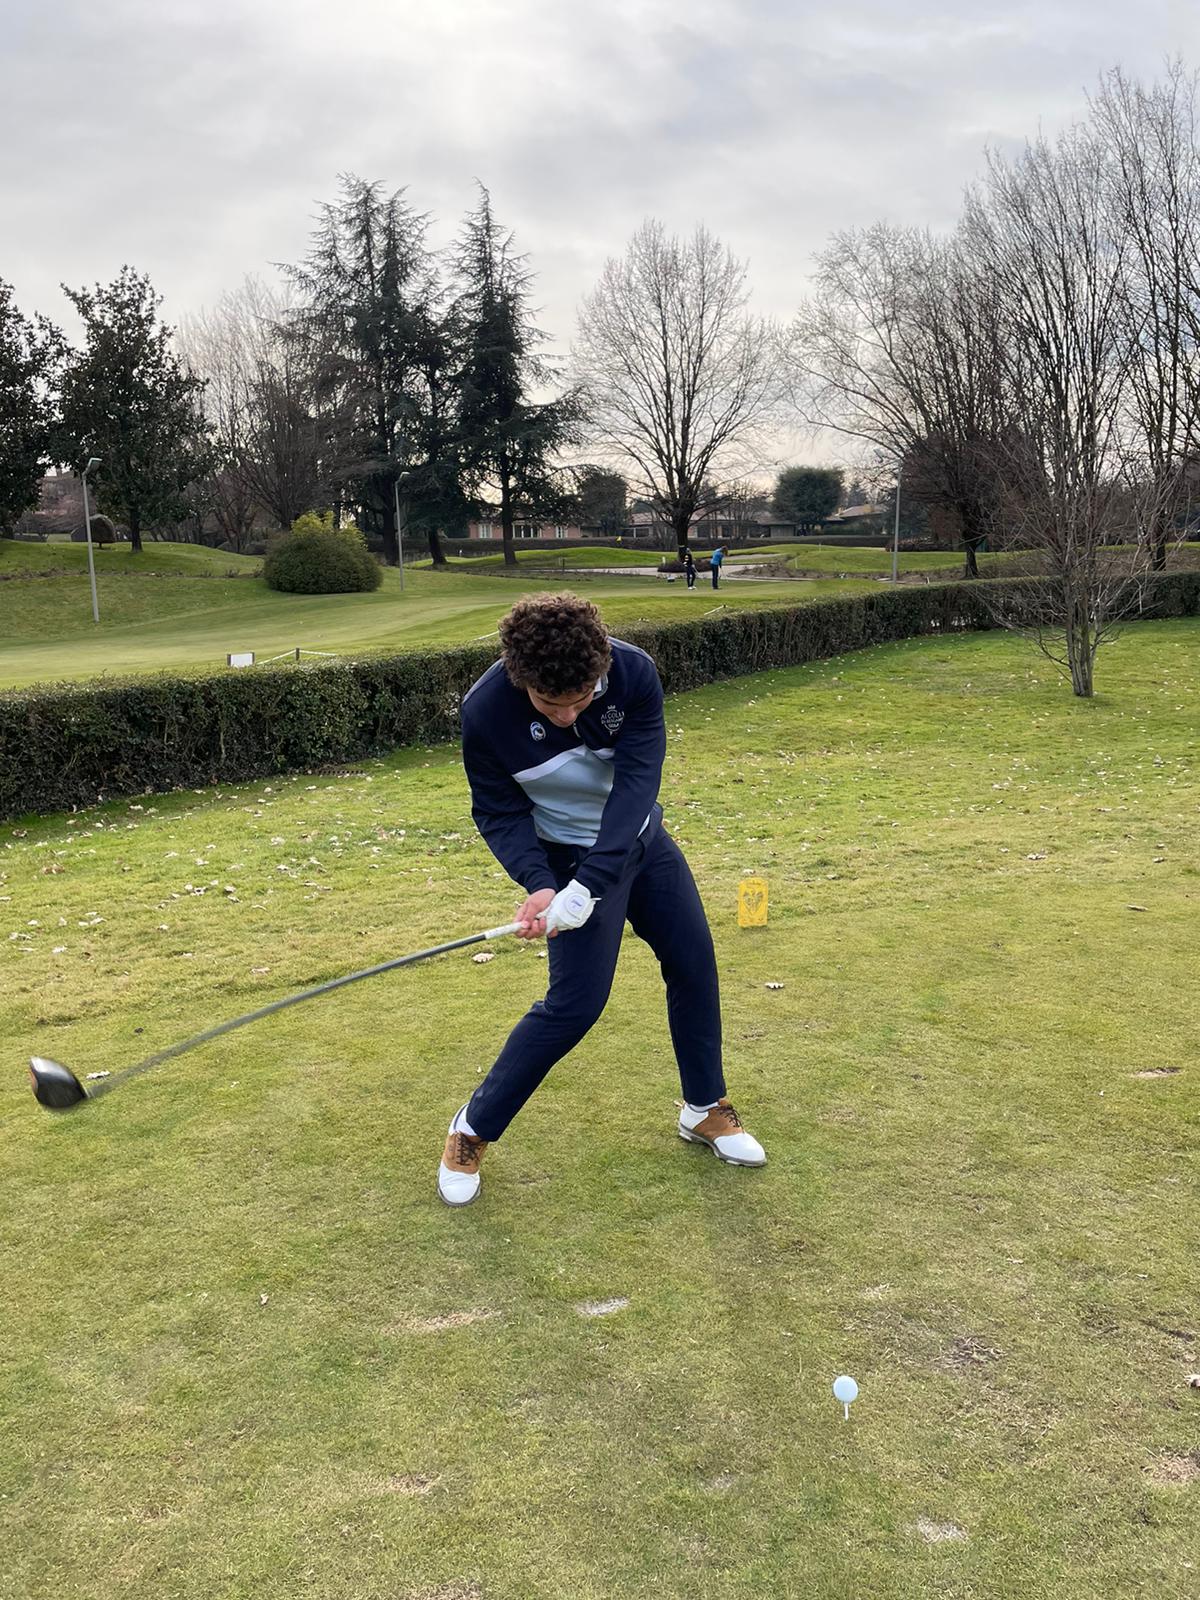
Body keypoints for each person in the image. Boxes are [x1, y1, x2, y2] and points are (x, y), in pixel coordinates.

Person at [438, 592, 766, 1206]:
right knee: (576, 1006)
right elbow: (498, 811)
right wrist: (541, 883)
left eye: (582, 698)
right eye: (549, 704)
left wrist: (591, 884)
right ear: (520, 678)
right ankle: (471, 1129)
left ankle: (704, 1108)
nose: (568, 716)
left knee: (693, 965)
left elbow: (636, 786)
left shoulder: (634, 672)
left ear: (601, 668)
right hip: (562, 856)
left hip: (638, 841)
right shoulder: (485, 711)